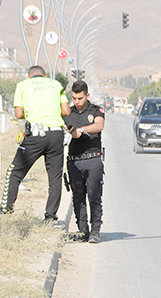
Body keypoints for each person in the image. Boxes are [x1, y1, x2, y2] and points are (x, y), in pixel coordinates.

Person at [1, 65, 71, 223]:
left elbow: (19, 114)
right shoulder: (56, 84)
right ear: (45, 76)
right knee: (55, 177)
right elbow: (66, 111)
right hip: (56, 135)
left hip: (35, 134)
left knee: (15, 171)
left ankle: (6, 208)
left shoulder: (22, 85)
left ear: (29, 76)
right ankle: (50, 215)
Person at [63, 80, 105, 243]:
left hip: (92, 159)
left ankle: (95, 230)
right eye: (74, 98)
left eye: (80, 98)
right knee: (78, 197)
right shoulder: (68, 113)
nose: (77, 101)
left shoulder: (95, 110)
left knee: (94, 196)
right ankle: (82, 230)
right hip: (74, 161)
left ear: (87, 95)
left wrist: (81, 130)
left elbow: (99, 125)